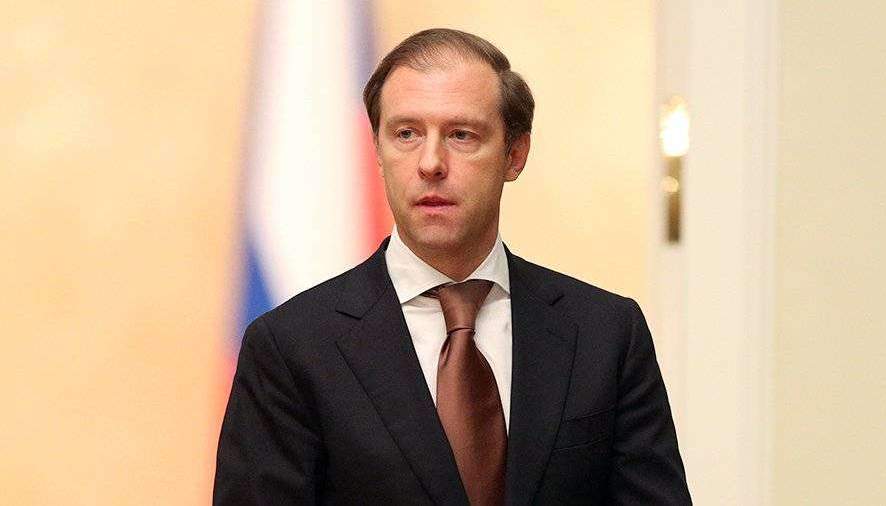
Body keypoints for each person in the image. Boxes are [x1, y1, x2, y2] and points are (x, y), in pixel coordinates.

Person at [214, 28, 691, 505]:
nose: (430, 163)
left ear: (515, 155)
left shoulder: (606, 334)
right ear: (377, 150)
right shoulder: (291, 348)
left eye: (461, 135)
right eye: (406, 134)